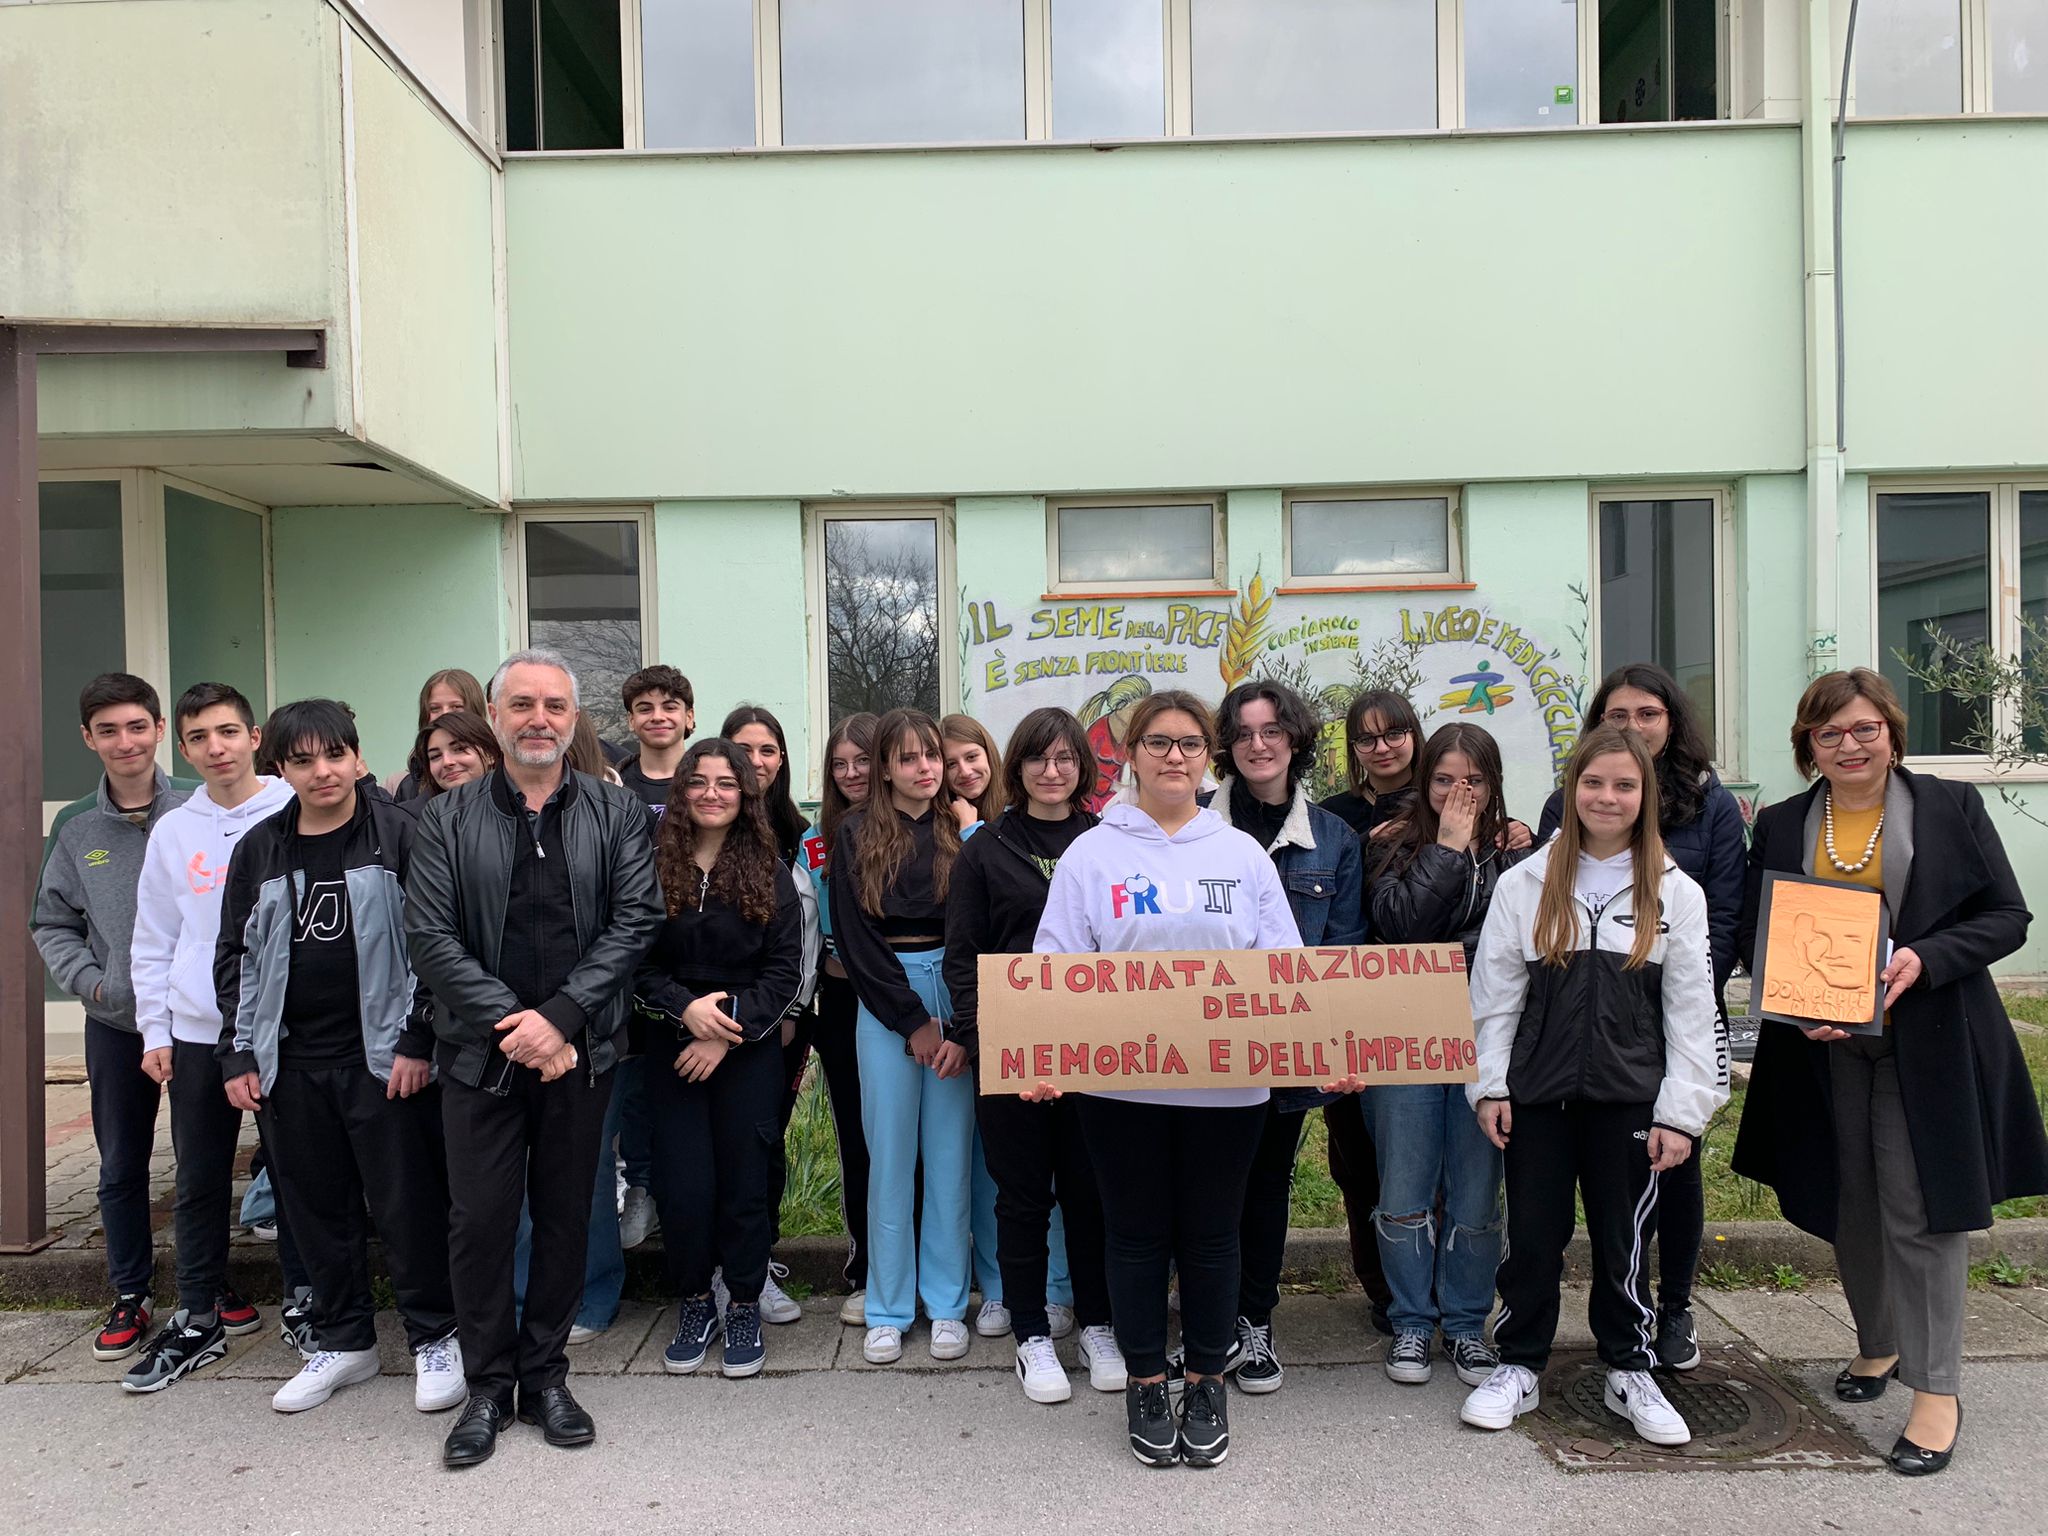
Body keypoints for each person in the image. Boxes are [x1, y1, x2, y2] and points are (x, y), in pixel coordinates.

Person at [1733, 669, 2047, 1477]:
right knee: (1851, 1198)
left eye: (1864, 729)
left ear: (1891, 732)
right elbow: (1755, 931)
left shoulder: (1947, 807)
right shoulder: (1780, 822)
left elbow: (2007, 916)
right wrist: (1788, 995)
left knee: (1919, 1205)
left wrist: (1926, 957)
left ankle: (1936, 1389)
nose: (1849, 745)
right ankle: (1877, 1345)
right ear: (1809, 745)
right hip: (1821, 1045)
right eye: (1829, 733)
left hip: (1930, 1041)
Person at [406, 648, 663, 1469]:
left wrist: (558, 1021)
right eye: (522, 705)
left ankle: (545, 1376)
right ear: (496, 716)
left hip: (580, 1052)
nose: (540, 719)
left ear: (575, 718)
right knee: (479, 1221)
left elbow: (635, 922)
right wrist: (515, 1026)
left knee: (563, 1217)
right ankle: (487, 1386)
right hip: (481, 1057)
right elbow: (430, 938)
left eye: (555, 705)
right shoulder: (444, 819)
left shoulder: (615, 814)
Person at [1033, 690, 1304, 1469]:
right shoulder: (1093, 854)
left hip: (1231, 1090)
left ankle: (1206, 1379)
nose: (1174, 757)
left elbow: (1285, 968)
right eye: (1158, 743)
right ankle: (1148, 1380)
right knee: (1136, 1236)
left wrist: (1327, 1050)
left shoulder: (1242, 855)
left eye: (1189, 744)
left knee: (1216, 1238)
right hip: (1121, 1092)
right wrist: (1047, 1058)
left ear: (1208, 756)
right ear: (1130, 755)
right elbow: (1055, 965)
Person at [1459, 725, 1725, 1448]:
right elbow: (1495, 996)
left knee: (1625, 1242)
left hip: (1631, 1101)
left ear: (1644, 797)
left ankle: (1628, 1366)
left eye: (1625, 785)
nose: (1608, 797)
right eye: (1594, 782)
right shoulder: (1525, 884)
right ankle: (1517, 1363)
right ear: (1572, 790)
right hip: (1538, 1098)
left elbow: (1693, 1014)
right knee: (1534, 1239)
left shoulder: (1677, 892)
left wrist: (1682, 1111)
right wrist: (1489, 1087)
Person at [213, 700, 463, 1416]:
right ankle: (345, 1341)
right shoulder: (259, 848)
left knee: (407, 1205)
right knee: (315, 1211)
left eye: (334, 755)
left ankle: (433, 1338)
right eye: (302, 760)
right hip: (290, 1065)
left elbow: (438, 945)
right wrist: (239, 1055)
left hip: (386, 1061)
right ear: (282, 768)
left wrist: (419, 1039)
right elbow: (234, 956)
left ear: (357, 757)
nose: (321, 772)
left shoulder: (402, 834)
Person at [1536, 662, 1747, 1368]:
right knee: (1599, 1186)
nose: (1632, 727)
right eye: (1617, 715)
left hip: (1671, 1010)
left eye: (1646, 714)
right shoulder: (1564, 806)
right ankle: (1595, 1325)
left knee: (1673, 1168)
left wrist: (1665, 994)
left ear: (1671, 722)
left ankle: (1674, 1306)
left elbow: (1721, 913)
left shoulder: (1712, 807)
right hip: (1581, 1025)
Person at [944, 706, 1122, 1403]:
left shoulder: (1108, 842)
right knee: (1021, 1196)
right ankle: (1031, 1335)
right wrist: (984, 1041)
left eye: (1066, 759)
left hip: (1097, 1050)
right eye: (1038, 759)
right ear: (1015, 767)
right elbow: (964, 957)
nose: (1053, 771)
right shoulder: (985, 849)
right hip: (1012, 1050)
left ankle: (1098, 1323)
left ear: (1084, 768)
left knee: (1090, 1192)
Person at [119, 683, 294, 1392]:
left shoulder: (291, 804)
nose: (215, 748)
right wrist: (153, 1028)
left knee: (300, 1174)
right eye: (199, 738)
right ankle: (198, 1318)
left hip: (288, 1027)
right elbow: (154, 939)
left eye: (228, 732)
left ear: (254, 736)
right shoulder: (174, 828)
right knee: (197, 1181)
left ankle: (311, 1306)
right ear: (181, 747)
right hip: (197, 1030)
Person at [1199, 680, 1365, 1397]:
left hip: (1282, 1051)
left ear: (1295, 739)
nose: (1258, 745)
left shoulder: (1335, 840)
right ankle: (1204, 1322)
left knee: (1265, 1186)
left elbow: (1347, 954)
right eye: (1242, 733)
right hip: (1194, 1047)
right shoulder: (1190, 824)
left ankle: (1253, 1322)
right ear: (1225, 747)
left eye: (1271, 731)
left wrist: (1341, 1050)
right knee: (1200, 1189)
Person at [634, 740, 807, 1378]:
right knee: (685, 1186)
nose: (712, 793)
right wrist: (686, 1011)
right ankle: (696, 1300)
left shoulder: (768, 868)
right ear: (680, 791)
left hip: (746, 1049)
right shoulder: (651, 866)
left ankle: (741, 1301)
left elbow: (785, 970)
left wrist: (723, 1026)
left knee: (741, 1181)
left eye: (726, 784)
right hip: (672, 1044)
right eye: (699, 782)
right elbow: (636, 961)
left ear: (746, 795)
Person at [33, 674, 193, 1362]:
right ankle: (131, 1291)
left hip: (193, 1023)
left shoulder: (197, 806)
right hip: (117, 1023)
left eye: (136, 726)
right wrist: (96, 987)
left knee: (201, 1160)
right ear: (88, 739)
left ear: (160, 730)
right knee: (121, 1163)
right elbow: (52, 921)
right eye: (108, 730)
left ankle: (205, 1290)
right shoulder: (76, 827)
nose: (124, 742)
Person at [1365, 722, 1526, 1390]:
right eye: (1444, 780)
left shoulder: (1521, 855)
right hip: (1404, 1034)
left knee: (1476, 1194)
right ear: (1423, 781)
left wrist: (1481, 847)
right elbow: (1402, 928)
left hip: (1488, 1038)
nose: (1458, 793)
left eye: (1474, 781)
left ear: (1493, 784)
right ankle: (1409, 1321)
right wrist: (1450, 850)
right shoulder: (1388, 847)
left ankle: (1463, 1324)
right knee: (1403, 1189)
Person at [831, 708, 974, 1366]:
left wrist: (959, 1024)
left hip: (956, 992)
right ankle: (888, 1305)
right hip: (887, 998)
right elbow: (858, 943)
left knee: (950, 1156)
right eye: (909, 758)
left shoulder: (963, 830)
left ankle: (947, 1302)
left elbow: (979, 927)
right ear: (884, 766)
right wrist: (912, 1023)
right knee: (889, 1157)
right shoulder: (856, 832)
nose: (924, 769)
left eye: (933, 757)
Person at [1312, 689, 1417, 1335]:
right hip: (1347, 998)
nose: (1381, 748)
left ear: (1414, 734)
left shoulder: (1452, 799)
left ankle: (1432, 1286)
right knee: (1355, 1154)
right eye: (1367, 738)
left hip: (1422, 1004)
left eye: (1393, 733)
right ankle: (1380, 1288)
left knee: (1425, 1154)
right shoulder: (1334, 817)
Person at [721, 704, 822, 1323]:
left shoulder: (798, 831)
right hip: (713, 1010)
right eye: (745, 749)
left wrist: (791, 1010)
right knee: (713, 1149)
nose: (757, 762)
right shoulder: (702, 818)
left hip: (787, 1010)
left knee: (765, 1142)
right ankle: (718, 1272)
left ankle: (757, 1268)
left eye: (768, 750)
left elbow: (806, 931)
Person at [801, 712, 879, 1324]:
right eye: (840, 763)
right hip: (840, 1002)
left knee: (917, 1142)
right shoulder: (814, 838)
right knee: (857, 1136)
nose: (852, 773)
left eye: (864, 759)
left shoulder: (915, 827)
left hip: (906, 998)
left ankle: (927, 1262)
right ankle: (868, 1263)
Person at [386, 669, 488, 802]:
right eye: (435, 708)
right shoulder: (405, 786)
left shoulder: (508, 775)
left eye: (456, 706)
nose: (445, 714)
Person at [616, 665, 695, 819]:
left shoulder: (710, 782)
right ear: (631, 720)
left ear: (689, 717)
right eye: (645, 709)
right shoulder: (612, 785)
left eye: (670, 708)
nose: (657, 717)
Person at [405, 709, 501, 806]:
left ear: (490, 754)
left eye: (459, 749)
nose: (447, 762)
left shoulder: (514, 805)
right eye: (435, 756)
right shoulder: (424, 816)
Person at [941, 714, 1003, 829]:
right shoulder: (936, 823)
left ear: (989, 754)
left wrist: (969, 830)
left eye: (971, 757)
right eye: (951, 764)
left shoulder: (1020, 809)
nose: (965, 772)